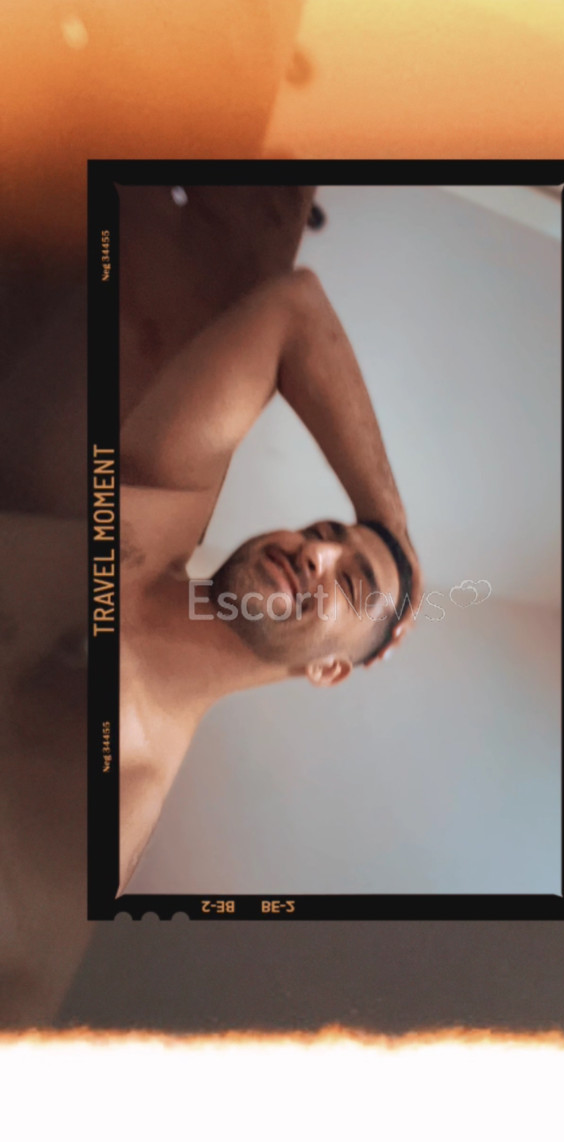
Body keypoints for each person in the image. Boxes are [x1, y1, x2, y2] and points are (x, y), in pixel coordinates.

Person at [119, 267, 423, 893]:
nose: (317, 553)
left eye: (353, 586)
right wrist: (391, 526)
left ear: (329, 670)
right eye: (324, 531)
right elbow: (296, 307)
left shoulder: (130, 780)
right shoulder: (160, 502)